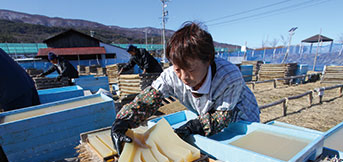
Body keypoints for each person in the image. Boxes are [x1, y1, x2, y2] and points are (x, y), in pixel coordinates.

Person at [111, 22, 260, 154]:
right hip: (209, 117)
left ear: (208, 59)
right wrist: (123, 121)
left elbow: (221, 117)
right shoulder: (171, 76)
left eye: (190, 69)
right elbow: (148, 99)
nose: (183, 77)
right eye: (177, 69)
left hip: (242, 119)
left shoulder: (229, 77)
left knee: (243, 152)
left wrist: (192, 127)